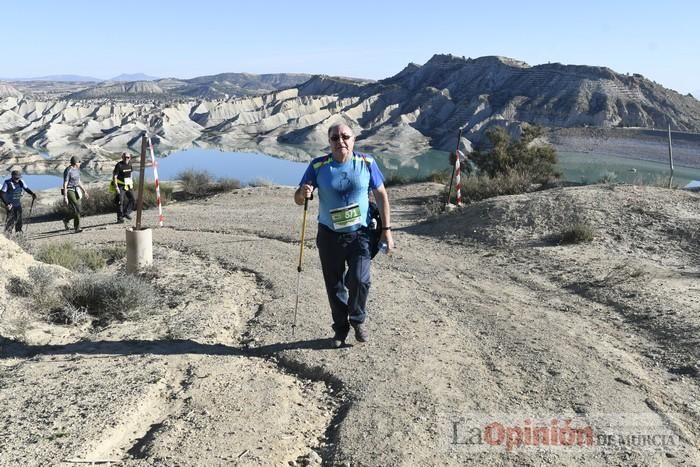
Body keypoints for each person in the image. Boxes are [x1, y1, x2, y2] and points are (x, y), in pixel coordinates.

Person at [294, 123, 395, 348]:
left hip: (360, 234)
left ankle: (357, 319)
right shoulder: (318, 165)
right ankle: (340, 329)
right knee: (335, 285)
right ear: (329, 142)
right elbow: (299, 199)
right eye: (334, 138)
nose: (340, 141)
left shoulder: (367, 163)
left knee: (360, 279)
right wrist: (303, 192)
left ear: (354, 139)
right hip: (329, 235)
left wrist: (387, 231)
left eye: (345, 136)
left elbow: (381, 195)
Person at [1, 170, 37, 235]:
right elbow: (2, 194)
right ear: (12, 176)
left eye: (18, 177)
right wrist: (7, 204)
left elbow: (26, 188)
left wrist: (32, 194)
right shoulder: (7, 182)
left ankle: (18, 233)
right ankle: (8, 234)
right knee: (11, 220)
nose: (17, 179)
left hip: (18, 204)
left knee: (19, 219)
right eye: (16, 178)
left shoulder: (21, 182)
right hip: (10, 205)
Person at [62, 156, 89, 233]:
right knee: (77, 207)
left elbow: (79, 181)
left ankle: (66, 219)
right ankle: (77, 228)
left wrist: (85, 191)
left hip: (77, 189)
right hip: (70, 190)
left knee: (78, 209)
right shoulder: (68, 170)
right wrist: (65, 196)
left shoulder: (77, 170)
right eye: (79, 162)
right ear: (75, 162)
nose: (80, 163)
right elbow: (65, 183)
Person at [113, 152, 134, 223]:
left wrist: (132, 182)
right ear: (122, 157)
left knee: (132, 199)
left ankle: (126, 213)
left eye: (128, 157)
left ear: (130, 158)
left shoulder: (130, 164)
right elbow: (115, 176)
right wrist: (116, 187)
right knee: (120, 201)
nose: (126, 158)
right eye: (125, 157)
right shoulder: (119, 165)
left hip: (128, 185)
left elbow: (131, 174)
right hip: (120, 186)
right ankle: (120, 218)